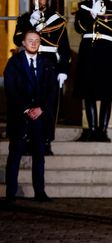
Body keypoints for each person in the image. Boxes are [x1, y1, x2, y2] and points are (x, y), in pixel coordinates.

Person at [3, 30, 56, 203]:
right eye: (30, 40)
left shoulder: (46, 63)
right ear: (23, 43)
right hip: (20, 117)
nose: (34, 43)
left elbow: (52, 90)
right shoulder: (14, 63)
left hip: (40, 117)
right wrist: (26, 109)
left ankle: (39, 192)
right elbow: (11, 89)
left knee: (39, 155)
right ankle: (11, 193)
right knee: (15, 155)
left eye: (37, 41)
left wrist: (41, 109)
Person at [13, 0, 71, 155]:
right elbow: (17, 40)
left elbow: (64, 47)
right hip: (29, 62)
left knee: (47, 106)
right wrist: (29, 25)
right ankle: (28, 140)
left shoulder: (56, 19)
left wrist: (63, 70)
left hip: (49, 65)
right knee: (28, 102)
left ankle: (46, 142)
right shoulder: (26, 18)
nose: (39, 1)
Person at [74, 0, 112, 141]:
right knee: (88, 92)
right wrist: (91, 14)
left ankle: (102, 131)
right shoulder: (83, 6)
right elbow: (79, 28)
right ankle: (92, 130)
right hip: (87, 51)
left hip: (107, 52)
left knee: (107, 93)